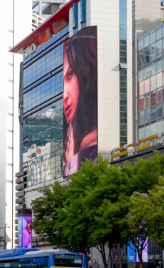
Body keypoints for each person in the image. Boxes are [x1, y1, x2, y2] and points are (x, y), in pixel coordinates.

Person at [62, 28, 98, 177]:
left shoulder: (90, 145)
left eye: (70, 74)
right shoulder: (79, 140)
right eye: (64, 81)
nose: (65, 95)